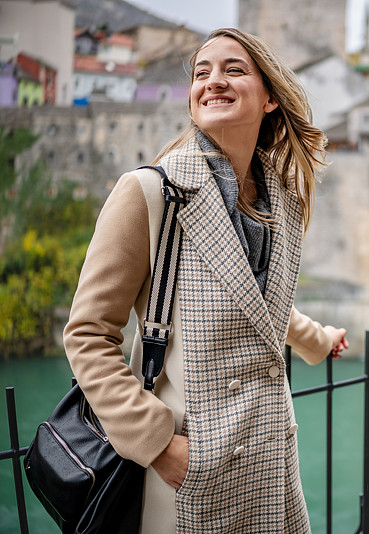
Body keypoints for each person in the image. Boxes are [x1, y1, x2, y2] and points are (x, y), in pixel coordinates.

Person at [63, 28, 348, 533]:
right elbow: (87, 333)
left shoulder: (283, 200)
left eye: (233, 69)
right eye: (202, 72)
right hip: (191, 471)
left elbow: (263, 307)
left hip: (270, 460)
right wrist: (158, 446)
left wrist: (317, 340)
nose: (213, 81)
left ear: (270, 100)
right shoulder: (150, 193)